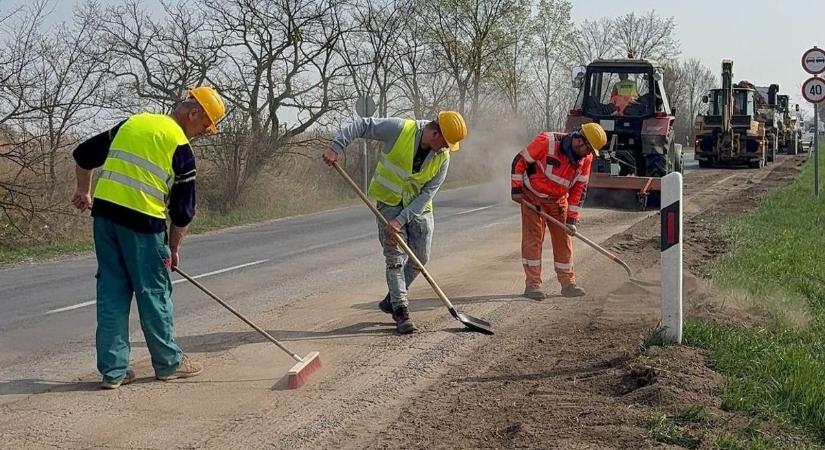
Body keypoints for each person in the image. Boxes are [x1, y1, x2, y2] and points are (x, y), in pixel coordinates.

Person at [71, 86, 225, 389]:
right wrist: (173, 249)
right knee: (153, 292)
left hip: (104, 220)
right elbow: (182, 213)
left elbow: (83, 156)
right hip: (143, 225)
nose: (206, 132)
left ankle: (113, 372)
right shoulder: (180, 147)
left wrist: (83, 190)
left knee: (112, 291)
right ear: (193, 112)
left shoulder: (133, 123)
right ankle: (168, 363)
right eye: (206, 124)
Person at [322, 111, 468, 334]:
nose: (446, 148)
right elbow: (363, 124)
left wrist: (402, 219)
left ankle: (391, 299)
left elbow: (428, 193)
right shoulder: (400, 129)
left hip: (418, 209)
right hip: (389, 203)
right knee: (395, 258)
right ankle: (401, 310)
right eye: (446, 143)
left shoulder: (443, 158)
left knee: (421, 257)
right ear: (435, 133)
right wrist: (336, 146)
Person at [510, 123, 607, 300]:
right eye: (587, 149)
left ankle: (568, 284)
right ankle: (533, 285)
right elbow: (520, 161)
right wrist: (516, 190)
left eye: (591, 152)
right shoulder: (547, 141)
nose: (587, 154)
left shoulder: (586, 159)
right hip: (532, 196)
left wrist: (572, 219)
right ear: (579, 139)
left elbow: (579, 189)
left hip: (558, 201)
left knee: (564, 240)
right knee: (533, 239)